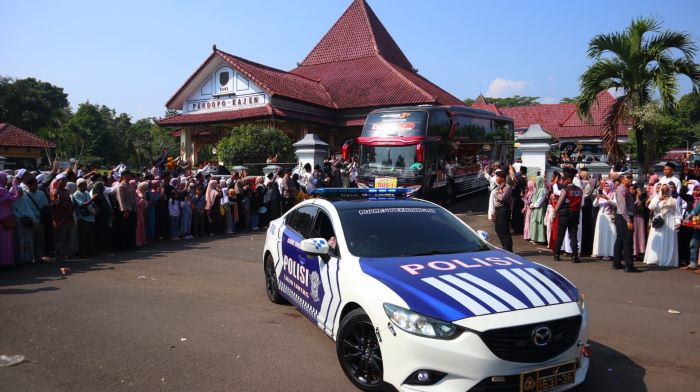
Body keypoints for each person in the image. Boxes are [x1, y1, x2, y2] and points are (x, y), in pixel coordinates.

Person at [643, 183, 679, 268]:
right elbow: (650, 207)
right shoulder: (655, 198)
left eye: (666, 189)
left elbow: (677, 213)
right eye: (663, 189)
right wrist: (659, 199)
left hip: (669, 222)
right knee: (657, 240)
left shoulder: (674, 200)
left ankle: (667, 260)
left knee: (668, 241)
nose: (664, 190)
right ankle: (655, 259)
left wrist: (677, 222)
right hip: (658, 220)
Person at [553, 169, 583, 263]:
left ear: (569, 179)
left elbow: (559, 202)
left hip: (564, 214)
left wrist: (555, 213)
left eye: (564, 179)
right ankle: (575, 256)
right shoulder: (579, 190)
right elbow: (582, 204)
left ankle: (557, 254)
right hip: (575, 214)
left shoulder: (565, 190)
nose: (563, 181)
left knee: (560, 235)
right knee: (573, 235)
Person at [613, 174, 640, 272]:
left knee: (620, 240)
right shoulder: (622, 190)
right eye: (628, 178)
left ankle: (617, 263)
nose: (630, 180)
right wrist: (628, 220)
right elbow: (623, 207)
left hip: (623, 217)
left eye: (631, 178)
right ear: (622, 180)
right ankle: (629, 265)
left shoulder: (625, 189)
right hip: (624, 217)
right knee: (627, 241)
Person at [51, 173, 74, 263]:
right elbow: (54, 206)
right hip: (59, 218)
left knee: (67, 237)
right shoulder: (55, 192)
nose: (65, 182)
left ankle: (66, 255)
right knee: (60, 238)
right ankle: (59, 256)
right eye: (63, 180)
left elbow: (70, 202)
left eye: (65, 180)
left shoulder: (66, 191)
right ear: (58, 181)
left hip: (68, 217)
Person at [592, 180, 617, 259]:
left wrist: (607, 199)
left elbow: (616, 204)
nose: (606, 187)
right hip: (601, 216)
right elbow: (594, 205)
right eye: (605, 186)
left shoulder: (614, 193)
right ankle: (599, 252)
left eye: (608, 186)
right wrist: (597, 197)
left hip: (609, 215)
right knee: (600, 233)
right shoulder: (601, 193)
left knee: (609, 233)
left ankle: (609, 253)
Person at [492, 169, 513, 252]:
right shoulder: (498, 187)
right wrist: (494, 212)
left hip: (504, 210)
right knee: (498, 229)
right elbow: (497, 199)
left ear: (503, 178)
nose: (496, 178)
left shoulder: (507, 188)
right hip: (498, 210)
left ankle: (508, 248)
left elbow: (502, 198)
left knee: (504, 230)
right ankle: (504, 245)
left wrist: (496, 193)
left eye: (498, 177)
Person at [528, 177, 548, 244]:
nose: (534, 183)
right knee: (535, 222)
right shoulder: (537, 189)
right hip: (536, 209)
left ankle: (540, 239)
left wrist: (533, 205)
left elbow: (540, 200)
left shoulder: (543, 190)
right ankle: (535, 238)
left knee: (539, 222)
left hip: (540, 209)